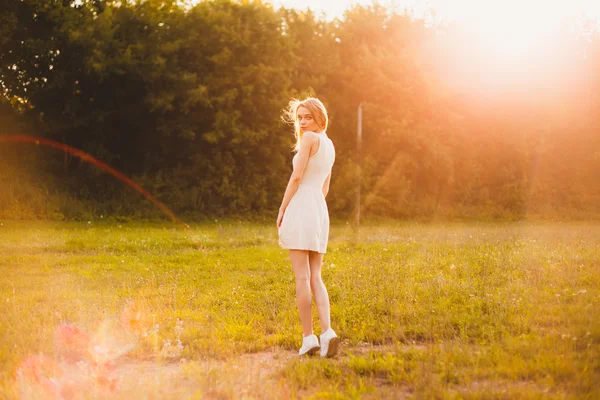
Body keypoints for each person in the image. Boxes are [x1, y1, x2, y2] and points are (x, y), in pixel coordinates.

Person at [277, 97, 339, 358]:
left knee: (302, 277)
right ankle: (328, 333)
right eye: (300, 118)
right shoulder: (330, 145)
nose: (302, 122)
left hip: (303, 204)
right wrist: (313, 208)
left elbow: (296, 177)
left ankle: (308, 338)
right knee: (316, 276)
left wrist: (283, 209)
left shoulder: (309, 140)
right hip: (318, 209)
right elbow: (325, 187)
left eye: (307, 117)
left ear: (319, 118)